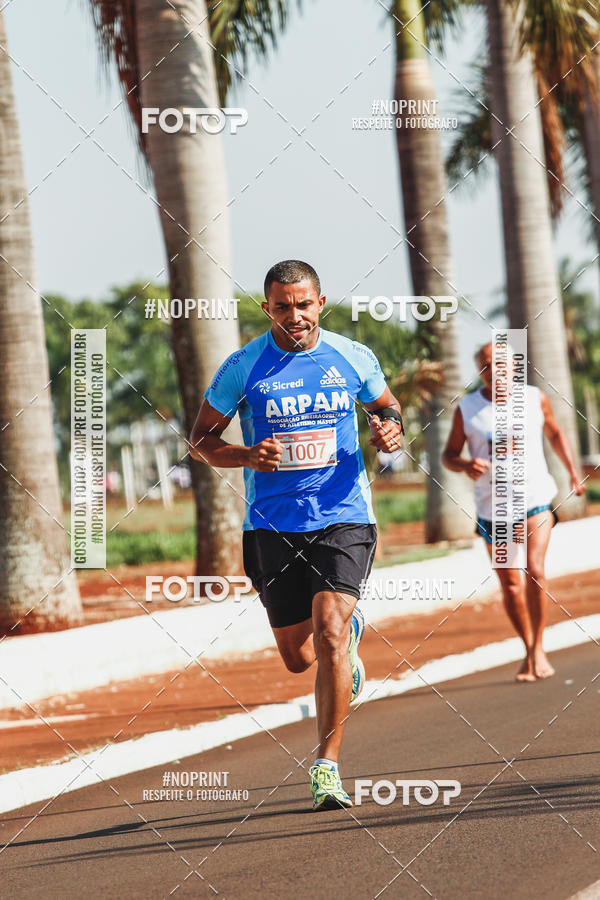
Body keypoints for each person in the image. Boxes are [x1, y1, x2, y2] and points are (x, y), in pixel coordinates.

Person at [190, 260, 404, 809]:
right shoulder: (243, 366)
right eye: (282, 306)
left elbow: (386, 406)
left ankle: (326, 767)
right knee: (298, 655)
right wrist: (245, 454)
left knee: (329, 629)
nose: (295, 316)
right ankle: (346, 647)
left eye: (303, 304)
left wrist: (390, 430)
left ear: (320, 303)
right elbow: (201, 440)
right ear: (267, 308)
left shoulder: (352, 356)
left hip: (344, 515)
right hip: (271, 525)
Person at [442, 342, 586, 681]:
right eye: (486, 365)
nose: (494, 371)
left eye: (500, 363)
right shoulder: (468, 408)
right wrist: (465, 464)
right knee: (510, 584)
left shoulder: (534, 399)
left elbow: (555, 432)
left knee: (534, 569)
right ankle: (529, 646)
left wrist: (573, 472)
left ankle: (538, 651)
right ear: (480, 371)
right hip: (493, 508)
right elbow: (449, 455)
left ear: (514, 367)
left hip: (535, 499)